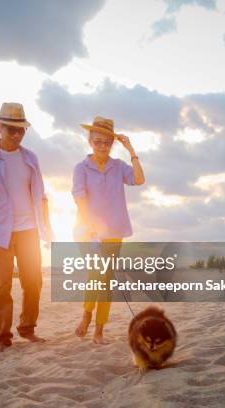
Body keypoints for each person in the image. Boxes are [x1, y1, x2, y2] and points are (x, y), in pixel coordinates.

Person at [0, 102, 54, 352]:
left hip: (29, 230)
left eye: (21, 130)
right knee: (1, 286)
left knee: (33, 282)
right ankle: (3, 336)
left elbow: (41, 196)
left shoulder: (31, 158)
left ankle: (27, 328)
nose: (16, 135)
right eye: (11, 129)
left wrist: (47, 230)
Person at [72, 116, 145, 344]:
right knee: (96, 275)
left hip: (113, 232)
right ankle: (86, 315)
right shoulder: (81, 168)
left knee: (105, 281)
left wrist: (131, 150)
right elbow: (80, 198)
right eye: (97, 141)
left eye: (106, 142)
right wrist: (91, 226)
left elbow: (139, 180)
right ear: (90, 140)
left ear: (112, 143)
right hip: (87, 232)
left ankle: (99, 331)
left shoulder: (119, 167)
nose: (102, 145)